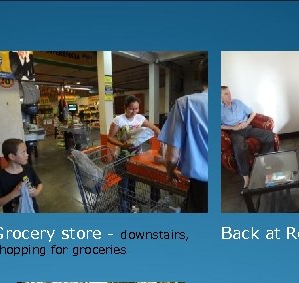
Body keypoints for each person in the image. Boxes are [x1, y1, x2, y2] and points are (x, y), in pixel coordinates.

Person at [159, 57, 209, 212]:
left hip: (201, 187)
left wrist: (170, 172)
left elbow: (172, 156)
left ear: (201, 77)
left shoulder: (185, 103)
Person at [108, 95, 161, 210]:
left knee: (133, 184)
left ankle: (131, 206)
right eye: (131, 108)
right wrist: (123, 145)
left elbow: (155, 128)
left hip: (136, 156)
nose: (134, 111)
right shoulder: (118, 120)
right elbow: (110, 138)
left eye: (136, 108)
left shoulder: (140, 118)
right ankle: (124, 210)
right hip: (122, 158)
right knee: (124, 185)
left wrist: (158, 132)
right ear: (125, 107)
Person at [221, 86, 275, 191]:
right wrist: (233, 127)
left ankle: (265, 165)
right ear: (220, 96)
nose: (229, 95)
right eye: (226, 94)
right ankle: (246, 178)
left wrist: (247, 122)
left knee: (270, 136)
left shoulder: (238, 103)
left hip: (248, 128)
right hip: (235, 132)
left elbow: (252, 112)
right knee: (240, 147)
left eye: (229, 93)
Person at [0, 138, 43, 212]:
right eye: (23, 152)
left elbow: (39, 184)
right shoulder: (0, 178)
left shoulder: (28, 168)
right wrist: (13, 194)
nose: (27, 154)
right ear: (12, 156)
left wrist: (36, 192)